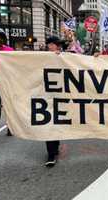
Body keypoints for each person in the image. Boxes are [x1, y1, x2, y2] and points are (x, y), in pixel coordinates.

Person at [44, 36, 63, 167]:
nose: (50, 47)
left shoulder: (64, 56)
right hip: (45, 95)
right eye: (49, 44)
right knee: (47, 123)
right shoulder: (42, 57)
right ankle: (51, 153)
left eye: (53, 44)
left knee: (57, 121)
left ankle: (55, 145)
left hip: (61, 95)